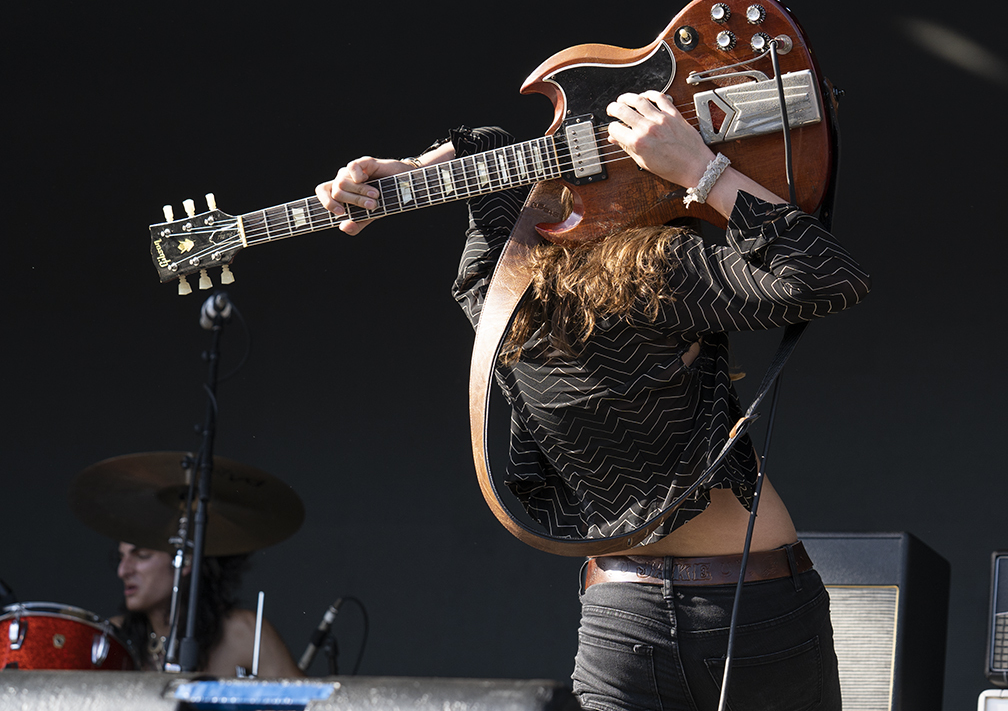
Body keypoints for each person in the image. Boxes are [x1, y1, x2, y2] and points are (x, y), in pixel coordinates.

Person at [316, 90, 869, 710]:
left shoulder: (495, 301)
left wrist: (411, 176)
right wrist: (699, 169)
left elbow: (496, 165)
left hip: (620, 617)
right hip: (750, 602)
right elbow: (825, 274)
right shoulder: (662, 270)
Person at [111, 542, 303, 677]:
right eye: (122, 557)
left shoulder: (244, 631)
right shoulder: (113, 636)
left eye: (141, 556)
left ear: (185, 560)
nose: (123, 570)